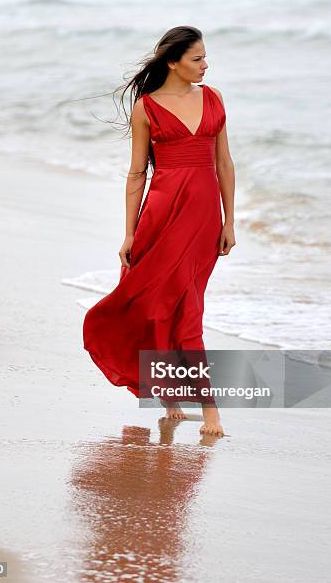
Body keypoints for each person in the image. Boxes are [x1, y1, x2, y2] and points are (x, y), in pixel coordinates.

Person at [83, 25, 236, 437]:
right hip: (161, 216)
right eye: (197, 58)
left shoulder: (214, 98)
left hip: (203, 220)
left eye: (205, 57)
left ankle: (185, 402)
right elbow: (137, 173)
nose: (206, 65)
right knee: (160, 306)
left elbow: (224, 164)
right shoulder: (146, 108)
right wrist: (129, 233)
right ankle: (205, 411)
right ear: (173, 62)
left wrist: (229, 220)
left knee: (189, 306)